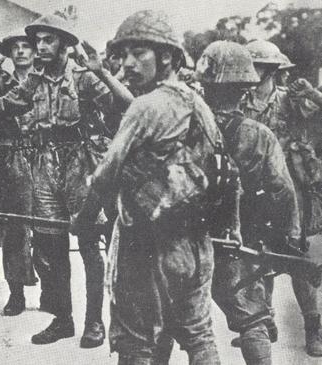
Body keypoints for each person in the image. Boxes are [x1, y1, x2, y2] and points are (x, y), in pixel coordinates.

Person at [72, 10, 225, 364]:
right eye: (123, 55)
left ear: (166, 56)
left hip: (146, 244)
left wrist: (83, 219)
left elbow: (106, 175)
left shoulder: (145, 107)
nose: (127, 63)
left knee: (135, 341)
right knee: (199, 335)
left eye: (138, 53)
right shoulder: (198, 104)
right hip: (195, 244)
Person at [0, 12, 132, 348]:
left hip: (80, 164)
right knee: (50, 246)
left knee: (90, 245)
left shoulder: (81, 76)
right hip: (43, 164)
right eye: (38, 40)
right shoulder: (32, 81)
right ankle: (62, 320)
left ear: (64, 43)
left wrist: (102, 73)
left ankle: (94, 322)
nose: (41, 46)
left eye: (48, 40)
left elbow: (127, 107)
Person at [195, 40, 301, 365]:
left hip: (187, 238)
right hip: (237, 239)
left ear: (203, 85)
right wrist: (290, 238)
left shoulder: (185, 128)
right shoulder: (259, 135)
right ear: (245, 89)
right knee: (253, 319)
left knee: (179, 325)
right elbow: (282, 190)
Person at [242, 39, 322, 357]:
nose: (250, 72)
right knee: (258, 258)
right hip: (253, 192)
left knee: (298, 261)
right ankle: (265, 321)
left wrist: (313, 94)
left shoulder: (292, 100)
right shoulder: (240, 102)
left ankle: (314, 330)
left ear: (272, 70)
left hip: (292, 192)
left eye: (257, 66)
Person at [0, 32, 40, 316]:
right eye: (15, 48)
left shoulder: (44, 78)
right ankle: (16, 293)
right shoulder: (0, 80)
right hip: (13, 156)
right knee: (14, 228)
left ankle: (50, 289)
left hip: (45, 154)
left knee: (47, 226)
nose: (21, 52)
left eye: (27, 47)